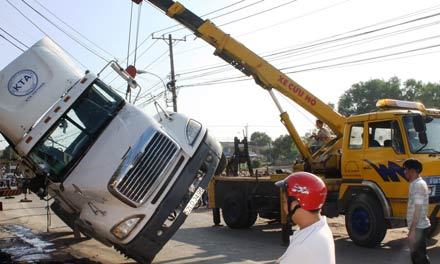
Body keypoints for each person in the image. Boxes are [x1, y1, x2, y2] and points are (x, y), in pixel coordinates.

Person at [275, 172, 335, 264]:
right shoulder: (320, 227)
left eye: (284, 201)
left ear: (295, 204)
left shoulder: (304, 245)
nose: (283, 207)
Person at [404, 158, 431, 264]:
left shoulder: (418, 185)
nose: (405, 173)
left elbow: (418, 209)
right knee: (416, 257)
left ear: (413, 171)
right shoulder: (414, 184)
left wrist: (412, 231)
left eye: (406, 170)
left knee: (420, 258)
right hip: (418, 227)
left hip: (419, 227)